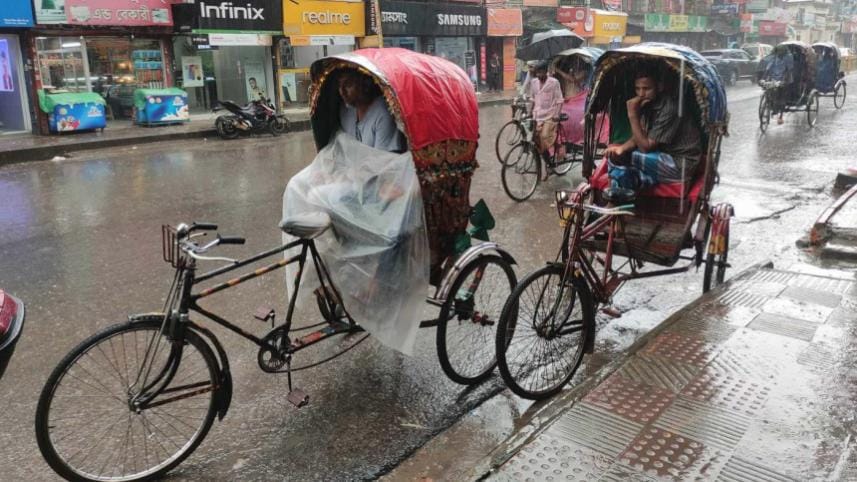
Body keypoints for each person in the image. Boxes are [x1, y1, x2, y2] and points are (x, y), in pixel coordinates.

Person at [604, 68, 702, 199]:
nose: (641, 94)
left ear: (659, 87)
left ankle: (617, 200)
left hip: (680, 163)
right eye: (637, 89)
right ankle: (620, 204)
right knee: (617, 159)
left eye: (646, 88)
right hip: (661, 156)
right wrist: (621, 148)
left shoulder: (670, 107)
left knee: (627, 157)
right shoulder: (647, 104)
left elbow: (645, 147)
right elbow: (639, 137)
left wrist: (632, 114)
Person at [338, 68, 406, 152]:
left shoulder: (382, 113)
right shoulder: (346, 110)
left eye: (348, 85)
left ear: (364, 84)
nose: (342, 91)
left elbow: (383, 160)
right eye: (339, 85)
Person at [530, 61, 564, 162]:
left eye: (541, 72)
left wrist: (557, 114)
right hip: (537, 115)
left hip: (550, 115)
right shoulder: (534, 82)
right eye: (537, 73)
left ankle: (559, 146)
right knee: (535, 139)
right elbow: (532, 98)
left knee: (544, 136)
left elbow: (559, 100)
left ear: (546, 72)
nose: (539, 75)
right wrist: (529, 112)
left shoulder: (554, 82)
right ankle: (547, 159)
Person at [762, 45, 794, 125]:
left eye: (779, 53)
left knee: (781, 98)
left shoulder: (788, 58)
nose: (778, 54)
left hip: (784, 79)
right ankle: (771, 106)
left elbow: (788, 71)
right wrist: (763, 78)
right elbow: (768, 68)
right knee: (769, 90)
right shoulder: (774, 58)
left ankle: (780, 117)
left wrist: (783, 80)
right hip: (773, 78)